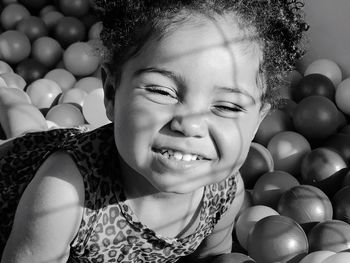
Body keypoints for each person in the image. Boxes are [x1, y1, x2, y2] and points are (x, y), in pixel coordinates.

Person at [0, 0, 308, 262]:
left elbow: (215, 258)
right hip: (19, 173)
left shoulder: (223, 193)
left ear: (257, 122)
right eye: (162, 91)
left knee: (32, 124)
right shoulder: (63, 195)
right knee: (25, 132)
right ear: (110, 92)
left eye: (227, 106)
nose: (190, 124)